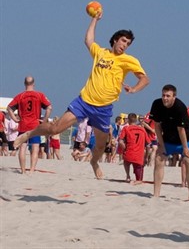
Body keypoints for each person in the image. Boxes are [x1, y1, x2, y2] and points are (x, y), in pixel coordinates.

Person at [13, 11, 149, 179]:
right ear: (115, 39)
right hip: (84, 101)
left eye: (128, 43)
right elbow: (88, 40)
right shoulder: (101, 53)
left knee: (100, 145)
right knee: (55, 128)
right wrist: (94, 20)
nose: (125, 45)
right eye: (123, 40)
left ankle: (94, 162)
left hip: (104, 108)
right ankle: (28, 134)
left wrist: (134, 89)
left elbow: (144, 79)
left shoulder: (129, 60)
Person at [149, 84, 189, 201]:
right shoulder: (157, 104)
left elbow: (181, 129)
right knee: (159, 159)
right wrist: (161, 145)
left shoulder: (179, 107)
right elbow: (157, 126)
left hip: (186, 137)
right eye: (163, 95)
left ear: (174, 97)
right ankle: (156, 194)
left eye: (168, 96)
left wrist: (185, 148)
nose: (165, 98)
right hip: (168, 137)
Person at [7, 76, 52, 174]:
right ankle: (31, 170)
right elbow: (49, 107)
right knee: (35, 148)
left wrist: (15, 119)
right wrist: (44, 120)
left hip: (23, 124)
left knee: (22, 148)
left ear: (24, 84)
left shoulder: (20, 96)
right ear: (34, 83)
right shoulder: (39, 95)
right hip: (35, 125)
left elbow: (9, 108)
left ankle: (23, 171)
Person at [119, 113, 150, 184]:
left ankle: (128, 176)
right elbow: (148, 145)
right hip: (139, 155)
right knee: (139, 178)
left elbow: (120, 142)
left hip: (129, 153)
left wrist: (124, 149)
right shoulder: (142, 129)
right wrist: (146, 157)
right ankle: (136, 179)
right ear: (136, 120)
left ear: (128, 120)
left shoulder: (126, 128)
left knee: (126, 162)